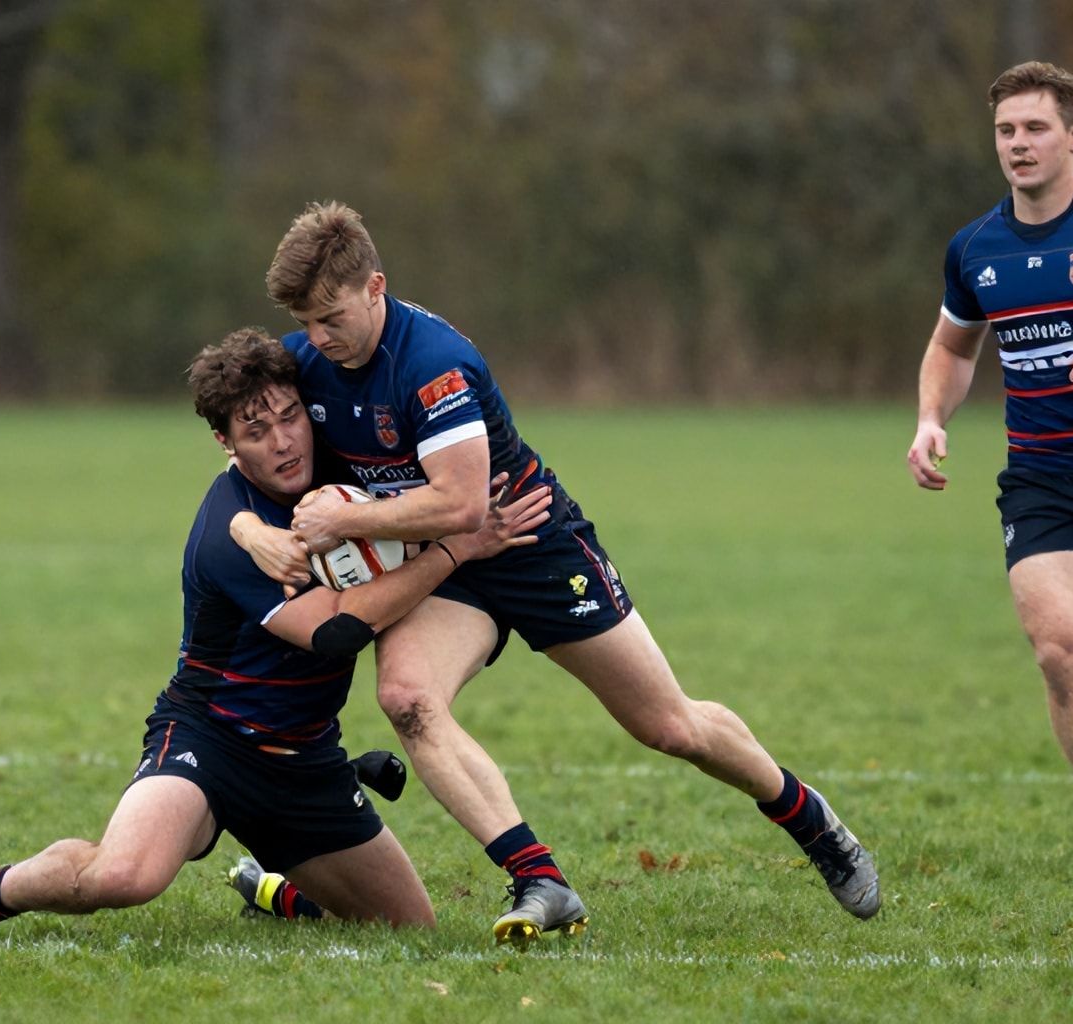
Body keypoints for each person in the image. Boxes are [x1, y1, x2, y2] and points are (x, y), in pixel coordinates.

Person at [231, 202, 880, 943]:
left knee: (669, 726)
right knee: (408, 698)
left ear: (375, 287)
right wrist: (250, 530)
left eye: (330, 317)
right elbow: (245, 458)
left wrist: (343, 520)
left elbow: (463, 501)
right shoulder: (307, 361)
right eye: (304, 321)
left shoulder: (432, 363)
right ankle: (539, 876)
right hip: (448, 566)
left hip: (532, 543)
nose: (316, 338)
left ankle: (807, 816)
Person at [0, 329, 552, 934]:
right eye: (256, 431)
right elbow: (337, 634)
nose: (283, 441)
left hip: (306, 761)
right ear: (225, 443)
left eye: (291, 418)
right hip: (211, 740)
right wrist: (460, 550)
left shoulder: (344, 486)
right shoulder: (231, 533)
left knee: (408, 927)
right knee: (123, 878)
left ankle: (271, 886)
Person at [906, 61, 1073, 884]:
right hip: (1044, 481)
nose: (1018, 145)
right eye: (1005, 131)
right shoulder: (976, 249)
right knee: (1059, 650)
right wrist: (930, 419)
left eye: (1035, 128)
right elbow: (953, 345)